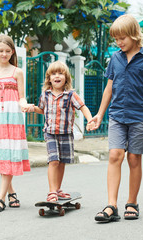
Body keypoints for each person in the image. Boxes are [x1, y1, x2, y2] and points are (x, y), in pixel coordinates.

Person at [91, 14, 143, 222]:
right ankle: (111, 205)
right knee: (115, 155)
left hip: (140, 116)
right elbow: (109, 88)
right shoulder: (115, 58)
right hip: (117, 115)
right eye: (116, 39)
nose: (119, 42)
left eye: (122, 38)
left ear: (133, 35)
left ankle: (132, 202)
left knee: (133, 158)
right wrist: (99, 114)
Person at [28, 60, 95, 202]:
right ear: (49, 78)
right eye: (53, 74)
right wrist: (33, 108)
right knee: (53, 160)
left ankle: (57, 189)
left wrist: (90, 120)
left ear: (66, 78)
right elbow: (42, 110)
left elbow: (82, 107)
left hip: (65, 133)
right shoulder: (45, 95)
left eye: (60, 73)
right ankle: (51, 191)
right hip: (50, 132)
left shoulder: (70, 95)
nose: (57, 76)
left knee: (62, 162)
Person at [0, 35, 33, 212]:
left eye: (8, 51)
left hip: (13, 120)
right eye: (1, 51)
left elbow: (21, 96)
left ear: (12, 52)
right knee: (2, 155)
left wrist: (24, 104)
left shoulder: (17, 72)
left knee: (9, 155)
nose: (4, 54)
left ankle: (0, 198)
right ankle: (11, 192)